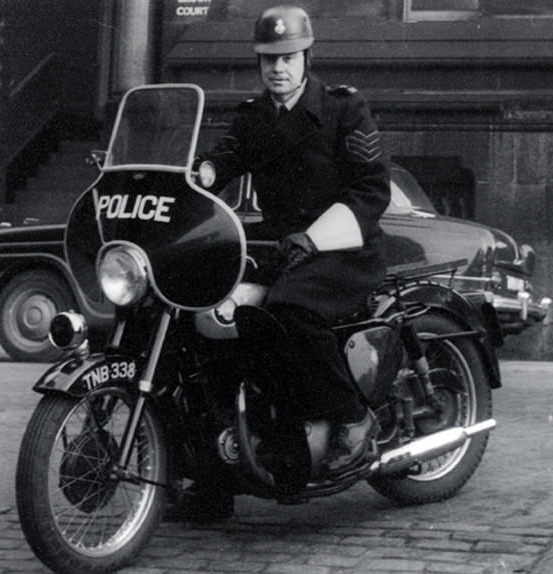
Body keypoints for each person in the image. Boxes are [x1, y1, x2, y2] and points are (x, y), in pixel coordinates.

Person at [179, 4, 391, 521]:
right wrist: (200, 173)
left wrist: (315, 239)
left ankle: (352, 417)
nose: (278, 67)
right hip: (279, 250)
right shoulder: (254, 116)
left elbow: (371, 190)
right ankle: (214, 478)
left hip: (341, 250)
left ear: (306, 56)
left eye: (289, 57)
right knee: (199, 313)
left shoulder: (344, 109)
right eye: (268, 59)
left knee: (289, 309)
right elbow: (225, 157)